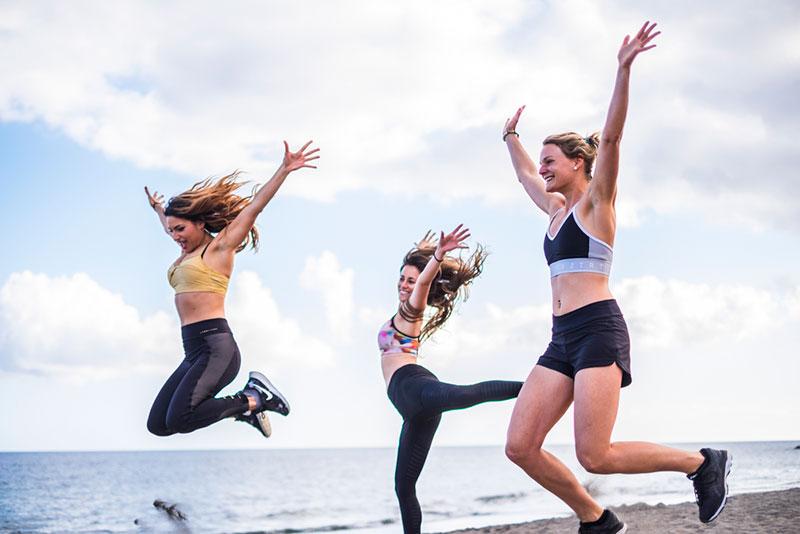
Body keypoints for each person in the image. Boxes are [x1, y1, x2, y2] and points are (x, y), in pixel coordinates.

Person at [502, 22, 730, 533]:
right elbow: (521, 175)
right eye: (541, 163)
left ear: (580, 163)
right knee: (520, 446)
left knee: (596, 454)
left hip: (599, 330)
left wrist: (623, 69)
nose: (542, 171)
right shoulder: (556, 212)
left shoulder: (596, 204)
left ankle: (702, 464)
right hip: (561, 338)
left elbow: (611, 136)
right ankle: (596, 519)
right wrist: (509, 136)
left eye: (551, 162)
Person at [145, 140, 319, 439]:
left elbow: (254, 208)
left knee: (182, 419)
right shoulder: (185, 252)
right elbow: (169, 225)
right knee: (158, 425)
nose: (174, 236)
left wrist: (285, 169)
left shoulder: (219, 248)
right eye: (171, 230)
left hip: (217, 348)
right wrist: (159, 210)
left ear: (200, 224)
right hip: (194, 351)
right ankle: (249, 408)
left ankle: (253, 399)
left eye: (180, 229)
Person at [380, 226, 523, 533]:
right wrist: (424, 252)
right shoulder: (403, 308)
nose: (405, 285)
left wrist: (437, 256)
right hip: (414, 410)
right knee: (404, 488)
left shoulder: (411, 310)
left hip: (413, 387)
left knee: (467, 394)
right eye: (402, 278)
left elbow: (423, 283)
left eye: (411, 280)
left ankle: (538, 386)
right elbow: (421, 278)